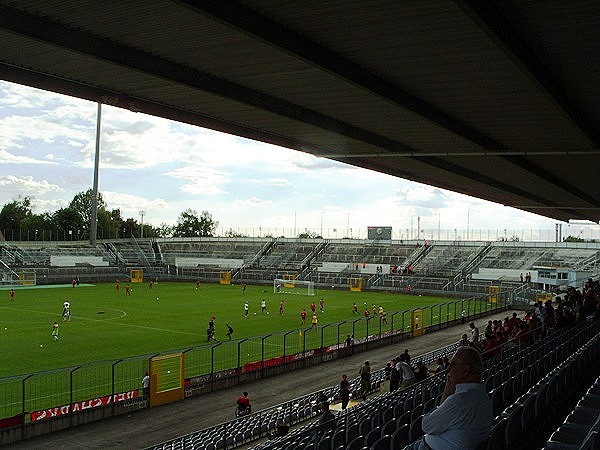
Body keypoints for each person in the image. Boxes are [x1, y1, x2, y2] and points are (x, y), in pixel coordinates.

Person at [406, 347, 492, 450]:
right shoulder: (483, 396)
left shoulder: (459, 401)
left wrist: (448, 390)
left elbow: (426, 426)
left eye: (453, 365)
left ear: (466, 371)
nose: (449, 370)